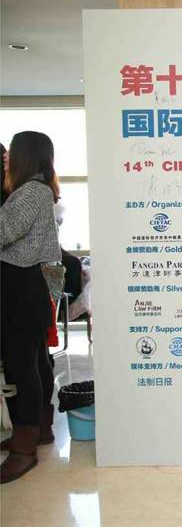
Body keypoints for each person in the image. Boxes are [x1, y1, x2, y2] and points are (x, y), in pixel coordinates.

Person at [0, 131, 62, 483]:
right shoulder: (38, 189)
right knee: (36, 360)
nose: (6, 157)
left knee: (21, 366)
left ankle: (24, 449)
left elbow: (3, 231)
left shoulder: (30, 192)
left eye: (11, 151)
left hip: (20, 286)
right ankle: (39, 430)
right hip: (28, 284)